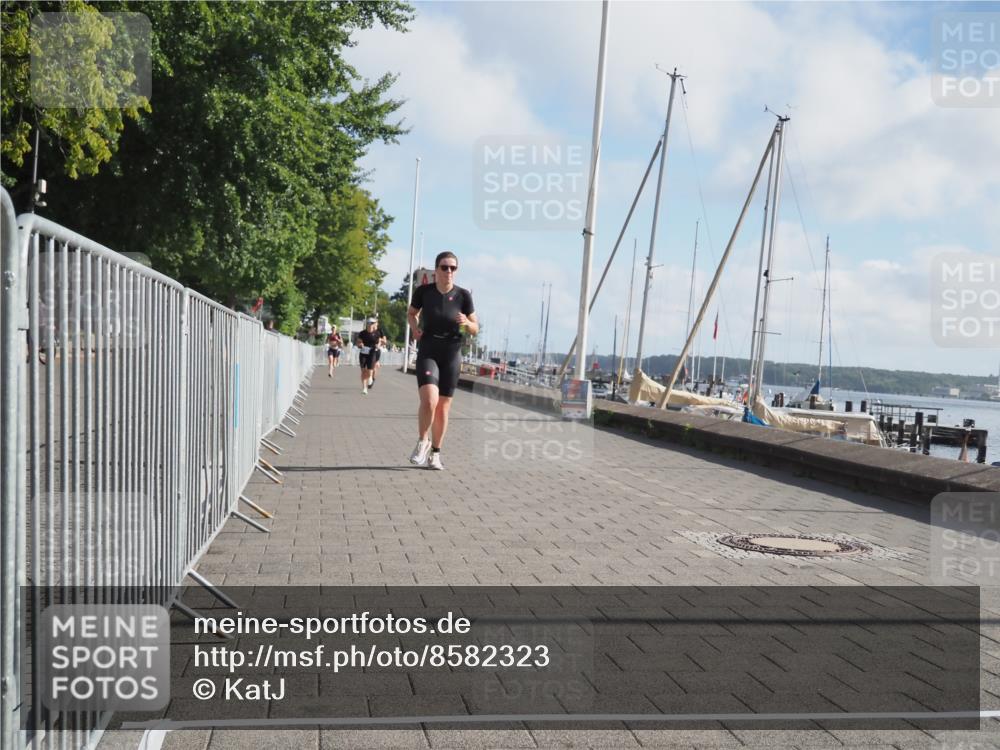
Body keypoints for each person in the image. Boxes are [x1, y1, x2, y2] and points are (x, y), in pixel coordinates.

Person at [407, 251, 478, 470]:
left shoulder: (463, 296)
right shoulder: (424, 292)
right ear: (436, 270)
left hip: (451, 352)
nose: (449, 272)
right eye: (445, 267)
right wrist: (414, 327)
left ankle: (436, 453)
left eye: (453, 268)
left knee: (443, 407)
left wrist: (466, 322)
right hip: (429, 348)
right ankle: (422, 441)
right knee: (429, 401)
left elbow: (475, 329)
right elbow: (411, 313)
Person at [355, 317, 385, 395]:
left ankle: (371, 377)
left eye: (371, 323)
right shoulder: (362, 333)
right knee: (363, 371)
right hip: (363, 353)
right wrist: (360, 344)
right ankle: (364, 388)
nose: (370, 325)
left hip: (372, 352)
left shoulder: (377, 333)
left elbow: (381, 341)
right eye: (368, 323)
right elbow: (358, 343)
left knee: (370, 369)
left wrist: (379, 345)